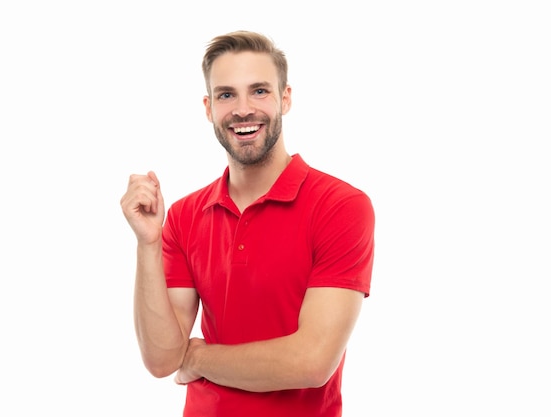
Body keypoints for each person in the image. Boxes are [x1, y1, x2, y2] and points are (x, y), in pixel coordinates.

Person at [120, 30, 375, 417]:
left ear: (285, 99)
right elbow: (161, 359)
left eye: (259, 91)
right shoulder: (185, 216)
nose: (242, 109)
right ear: (208, 108)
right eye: (226, 95)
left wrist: (198, 357)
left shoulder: (340, 206)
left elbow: (311, 362)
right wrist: (148, 244)